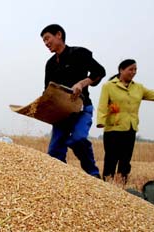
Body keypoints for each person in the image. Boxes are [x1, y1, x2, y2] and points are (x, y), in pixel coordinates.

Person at [40, 24, 105, 178]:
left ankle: (94, 177)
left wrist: (81, 84)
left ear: (59, 35)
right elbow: (47, 90)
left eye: (47, 38)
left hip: (81, 108)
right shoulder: (50, 64)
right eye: (44, 41)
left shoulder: (79, 53)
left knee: (78, 139)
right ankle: (61, 181)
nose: (46, 43)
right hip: (61, 113)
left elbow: (99, 72)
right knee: (54, 152)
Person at [97, 59, 154, 183]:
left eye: (135, 70)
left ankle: (122, 185)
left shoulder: (138, 88)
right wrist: (100, 121)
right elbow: (102, 106)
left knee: (125, 160)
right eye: (130, 69)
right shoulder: (109, 86)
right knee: (111, 159)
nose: (133, 72)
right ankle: (107, 185)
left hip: (130, 129)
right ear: (121, 70)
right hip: (113, 129)